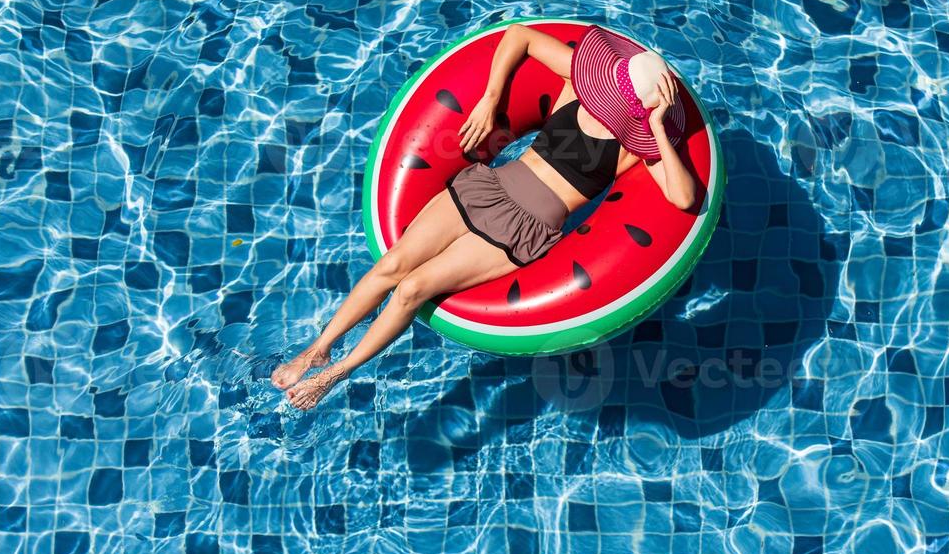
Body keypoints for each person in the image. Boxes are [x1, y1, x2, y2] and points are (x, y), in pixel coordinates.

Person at [275, 23, 698, 409]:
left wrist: (657, 127)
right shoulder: (579, 84)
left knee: (412, 288)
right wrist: (489, 100)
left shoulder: (632, 147)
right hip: (485, 187)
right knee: (393, 265)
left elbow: (682, 197)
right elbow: (519, 36)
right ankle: (318, 347)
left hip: (523, 230)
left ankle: (338, 372)